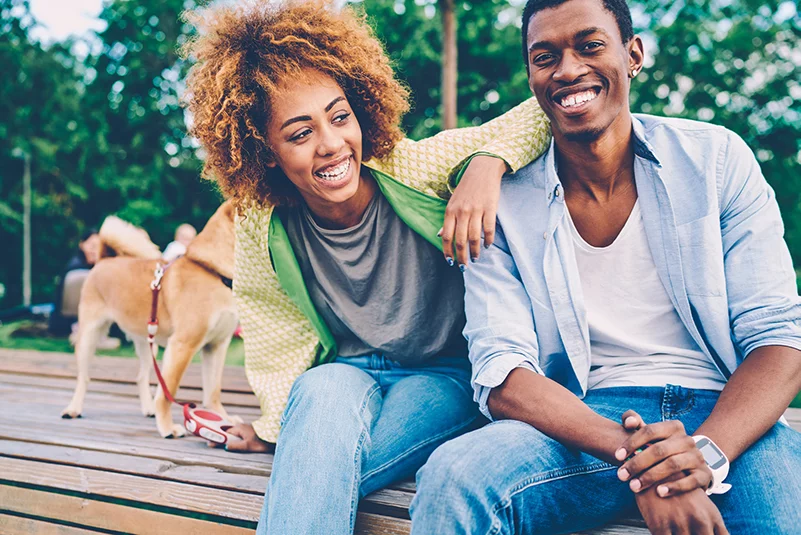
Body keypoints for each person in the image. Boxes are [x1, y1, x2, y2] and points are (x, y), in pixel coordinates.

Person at [410, 0, 801, 534]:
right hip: (582, 420)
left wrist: (702, 455)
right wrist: (643, 461)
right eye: (545, 56)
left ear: (633, 54)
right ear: (531, 76)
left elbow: (779, 339)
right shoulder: (499, 204)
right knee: (455, 476)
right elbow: (503, 375)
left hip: (726, 414)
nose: (568, 69)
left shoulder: (715, 160)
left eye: (590, 45)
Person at [181, 1, 550, 533]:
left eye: (339, 116)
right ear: (265, 152)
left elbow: (541, 111)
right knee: (319, 396)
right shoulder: (262, 223)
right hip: (346, 371)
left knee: (315, 472)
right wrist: (272, 426)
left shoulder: (413, 167)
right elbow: (272, 328)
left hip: (441, 376)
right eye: (300, 133)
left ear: (360, 109)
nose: (331, 145)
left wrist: (488, 164)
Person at [48, 228, 101, 336]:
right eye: (91, 245)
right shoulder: (76, 268)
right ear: (82, 244)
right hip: (68, 323)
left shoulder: (94, 267)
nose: (94, 250)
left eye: (98, 247)